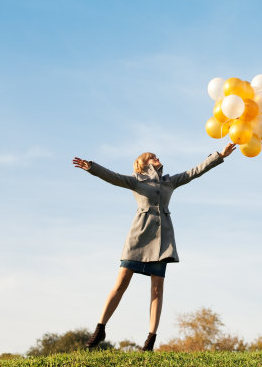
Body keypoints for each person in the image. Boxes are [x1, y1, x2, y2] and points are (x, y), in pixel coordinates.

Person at [72, 143, 236, 351]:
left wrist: (220, 155)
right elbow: (112, 176)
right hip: (138, 237)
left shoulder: (170, 181)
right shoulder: (136, 181)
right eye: (152, 157)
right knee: (121, 284)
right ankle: (100, 327)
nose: (157, 158)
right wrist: (92, 167)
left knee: (157, 289)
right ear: (143, 163)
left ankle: (150, 338)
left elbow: (196, 171)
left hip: (162, 241)